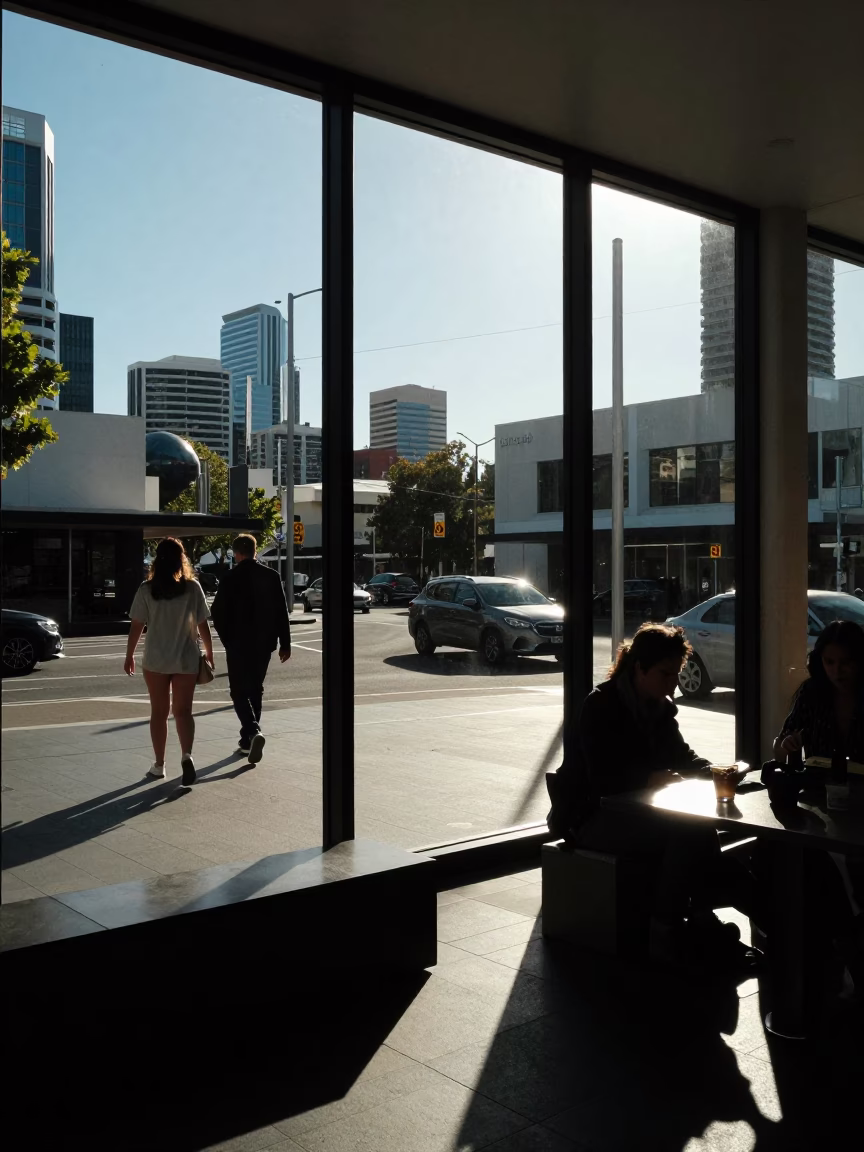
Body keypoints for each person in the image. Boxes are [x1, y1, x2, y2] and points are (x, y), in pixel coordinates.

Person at [548, 623, 758, 968]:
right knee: (693, 832)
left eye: (676, 674)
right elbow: (602, 778)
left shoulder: (657, 705)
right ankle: (674, 926)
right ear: (639, 669)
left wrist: (715, 771)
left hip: (631, 812)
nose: (673, 683)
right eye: (666, 674)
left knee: (696, 830)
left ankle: (693, 921)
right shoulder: (601, 705)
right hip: (588, 816)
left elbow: (682, 756)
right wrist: (649, 777)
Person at [772, 619, 864, 997]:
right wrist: (786, 746)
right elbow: (780, 743)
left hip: (859, 803)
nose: (837, 671)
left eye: (846, 662)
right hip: (819, 801)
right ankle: (845, 942)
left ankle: (846, 942)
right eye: (829, 662)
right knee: (813, 860)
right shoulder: (813, 693)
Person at [124, 537, 213, 786]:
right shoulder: (193, 588)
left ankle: (159, 764)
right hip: (186, 658)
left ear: (157, 560)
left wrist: (129, 655)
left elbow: (136, 626)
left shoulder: (146, 589)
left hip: (156, 660)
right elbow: (202, 624)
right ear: (181, 559)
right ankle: (187, 755)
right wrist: (209, 651)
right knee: (183, 712)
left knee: (159, 713)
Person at [210, 534, 291, 764]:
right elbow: (281, 611)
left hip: (238, 642)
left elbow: (217, 612)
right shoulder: (271, 576)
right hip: (264, 642)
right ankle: (247, 741)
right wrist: (285, 643)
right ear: (255, 551)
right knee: (255, 688)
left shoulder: (230, 577)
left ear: (237, 553)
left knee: (238, 691)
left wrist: (227, 639)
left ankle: (253, 731)